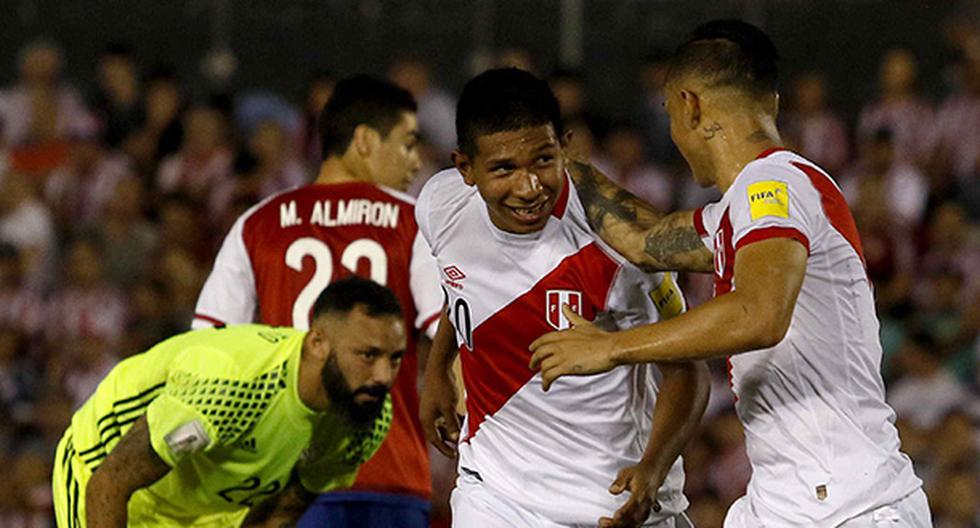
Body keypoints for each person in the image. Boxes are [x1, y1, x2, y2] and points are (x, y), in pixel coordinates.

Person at [527, 20, 931, 527]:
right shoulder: (743, 209)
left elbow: (760, 314)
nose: (673, 132)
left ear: (691, 106)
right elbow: (645, 240)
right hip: (786, 503)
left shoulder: (774, 186)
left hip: (852, 508)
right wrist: (563, 166)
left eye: (669, 111)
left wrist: (608, 348)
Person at [417, 68, 709, 528]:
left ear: (566, 148)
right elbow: (461, 288)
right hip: (493, 496)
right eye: (503, 169)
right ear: (464, 168)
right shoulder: (440, 206)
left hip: (610, 503)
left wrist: (652, 468)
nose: (529, 186)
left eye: (542, 161)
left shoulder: (621, 243)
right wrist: (438, 367)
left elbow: (688, 372)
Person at [193, 75, 442, 527]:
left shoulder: (258, 224)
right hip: (393, 472)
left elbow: (206, 349)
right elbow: (447, 329)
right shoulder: (413, 222)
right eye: (407, 144)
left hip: (287, 478)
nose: (415, 162)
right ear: (365, 140)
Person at [52, 276, 405, 527]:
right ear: (316, 344)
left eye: (394, 359)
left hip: (206, 511)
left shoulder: (366, 418)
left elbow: (282, 511)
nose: (383, 376)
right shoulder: (233, 387)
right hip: (102, 471)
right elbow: (111, 481)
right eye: (367, 355)